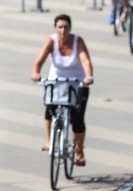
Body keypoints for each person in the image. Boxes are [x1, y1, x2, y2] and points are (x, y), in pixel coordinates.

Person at [31, 14, 94, 166]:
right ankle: (49, 141)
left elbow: (85, 59)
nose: (63, 30)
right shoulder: (51, 41)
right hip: (56, 82)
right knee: (49, 110)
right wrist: (36, 73)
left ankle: (79, 151)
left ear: (70, 28)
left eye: (66, 27)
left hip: (77, 82)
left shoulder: (77, 41)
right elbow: (39, 61)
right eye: (60, 27)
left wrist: (88, 76)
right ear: (55, 28)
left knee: (78, 119)